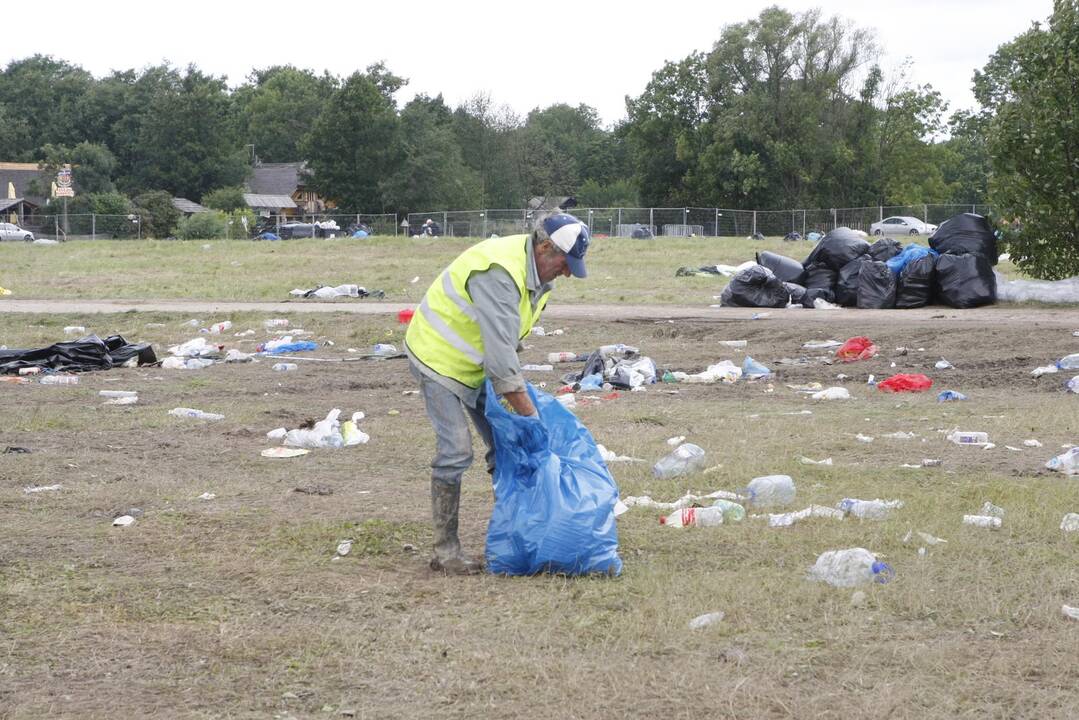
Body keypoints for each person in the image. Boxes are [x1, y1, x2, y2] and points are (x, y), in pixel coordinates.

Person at [404, 213, 590, 574]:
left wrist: (521, 418)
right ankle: (445, 552)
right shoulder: (500, 273)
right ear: (545, 247)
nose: (567, 273)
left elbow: (505, 347)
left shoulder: (536, 276)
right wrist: (532, 418)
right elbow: (503, 364)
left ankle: (516, 535)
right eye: (565, 264)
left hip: (476, 366)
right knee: (456, 451)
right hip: (437, 357)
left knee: (508, 446)